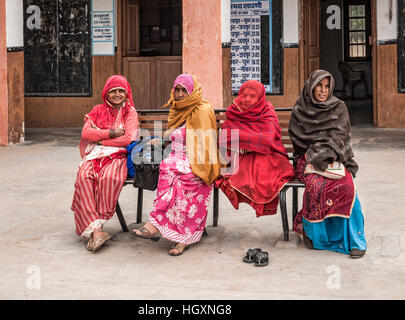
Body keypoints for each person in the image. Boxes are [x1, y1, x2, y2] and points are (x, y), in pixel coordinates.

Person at [132, 73, 220, 256]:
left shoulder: (203, 110)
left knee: (183, 177)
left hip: (198, 161)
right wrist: (160, 141)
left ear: (192, 91)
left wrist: (189, 162)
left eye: (183, 90)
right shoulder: (176, 109)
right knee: (167, 169)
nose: (179, 95)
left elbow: (206, 144)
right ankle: (156, 224)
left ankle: (182, 238)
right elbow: (172, 135)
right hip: (174, 158)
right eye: (177, 90)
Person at [288, 69, 367, 259]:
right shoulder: (300, 108)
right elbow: (298, 140)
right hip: (307, 160)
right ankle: (317, 237)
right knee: (316, 186)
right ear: (311, 88)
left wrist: (326, 153)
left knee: (346, 186)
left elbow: (340, 137)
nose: (323, 91)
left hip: (333, 158)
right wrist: (315, 153)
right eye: (319, 87)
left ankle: (356, 241)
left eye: (326, 86)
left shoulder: (338, 107)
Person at [71, 75, 139, 252]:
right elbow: (86, 133)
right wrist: (112, 132)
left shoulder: (130, 112)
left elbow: (128, 139)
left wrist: (101, 140)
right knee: (84, 176)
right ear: (106, 94)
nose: (117, 94)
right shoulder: (98, 110)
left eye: (121, 91)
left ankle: (96, 227)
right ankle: (98, 231)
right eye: (113, 91)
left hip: (118, 155)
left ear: (127, 93)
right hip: (95, 155)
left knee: (109, 177)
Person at [215, 80, 294, 217]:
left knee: (264, 172)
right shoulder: (235, 110)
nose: (246, 99)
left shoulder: (267, 110)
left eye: (252, 96)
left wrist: (244, 144)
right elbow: (224, 136)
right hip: (240, 156)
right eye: (244, 95)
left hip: (267, 154)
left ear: (260, 97)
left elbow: (267, 138)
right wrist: (242, 144)